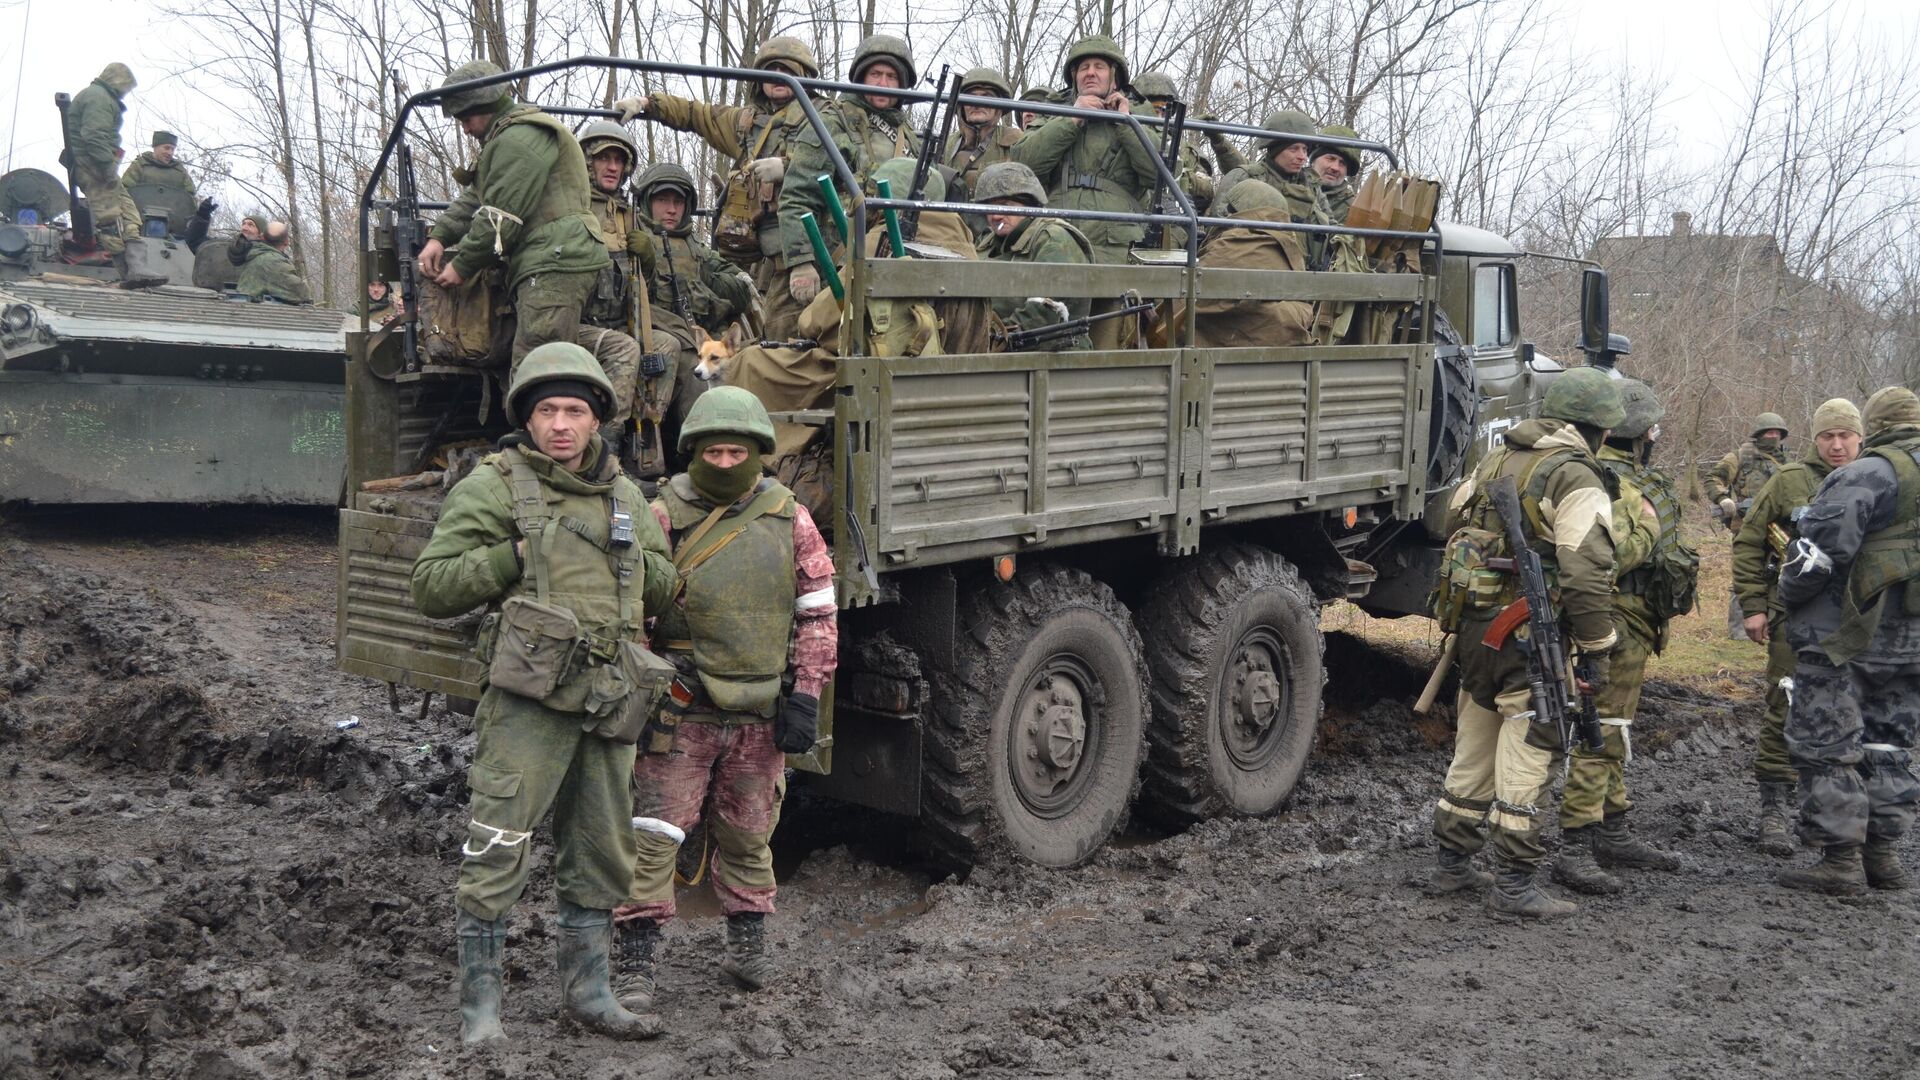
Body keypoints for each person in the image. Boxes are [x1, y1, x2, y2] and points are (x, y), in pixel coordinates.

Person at [410, 342, 677, 1044]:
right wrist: (516, 557)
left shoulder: (625, 495)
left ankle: (590, 992)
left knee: (600, 848)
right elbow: (432, 586)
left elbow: (665, 584)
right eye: (548, 411)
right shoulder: (494, 485)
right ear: (527, 419)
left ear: (598, 422)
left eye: (576, 412)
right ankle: (481, 1011)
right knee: (498, 845)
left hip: (606, 702)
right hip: (528, 705)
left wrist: (639, 562)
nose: (562, 424)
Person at [612, 386, 838, 1006]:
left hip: (761, 711)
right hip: (679, 708)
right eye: (713, 451)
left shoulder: (789, 516)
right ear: (693, 452)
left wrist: (807, 695)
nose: (724, 460)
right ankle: (636, 956)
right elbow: (635, 613)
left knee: (749, 831)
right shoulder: (663, 515)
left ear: (759, 452)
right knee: (655, 832)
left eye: (736, 450)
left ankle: (748, 944)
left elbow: (817, 609)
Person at [1428, 367, 1624, 918]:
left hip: (1474, 630)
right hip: (1527, 638)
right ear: (1600, 429)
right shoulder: (1576, 475)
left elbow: (1450, 520)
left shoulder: (1495, 457)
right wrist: (1598, 644)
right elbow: (1585, 574)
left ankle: (1451, 863)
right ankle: (1514, 885)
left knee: (1475, 739)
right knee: (1532, 743)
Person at [1775, 386, 1920, 895]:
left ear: (1874, 427)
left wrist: (1788, 598)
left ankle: (1840, 862)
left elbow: (1815, 554)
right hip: (1912, 643)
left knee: (1827, 745)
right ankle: (1884, 858)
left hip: (1846, 636)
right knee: (1890, 743)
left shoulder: (1867, 474)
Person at [1552, 379, 1691, 894]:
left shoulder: (1621, 479)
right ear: (1637, 434)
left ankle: (1613, 828)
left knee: (1615, 729)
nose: (1655, 436)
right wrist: (1649, 532)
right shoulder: (1612, 486)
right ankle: (1574, 845)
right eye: (1651, 429)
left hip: (1634, 622)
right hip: (1615, 623)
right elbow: (1605, 561)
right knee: (1601, 731)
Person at [614, 36, 822, 339]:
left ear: (805, 76)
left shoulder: (824, 120)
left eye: (789, 69)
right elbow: (697, 114)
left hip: (812, 250)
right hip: (762, 253)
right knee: (770, 336)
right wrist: (648, 105)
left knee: (802, 336)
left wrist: (789, 169)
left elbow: (847, 173)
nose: (779, 76)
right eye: (771, 69)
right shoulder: (747, 124)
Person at [415, 60, 610, 371]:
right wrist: (439, 236)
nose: (464, 128)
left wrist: (462, 265)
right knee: (532, 362)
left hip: (554, 262)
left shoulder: (520, 138)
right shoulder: (506, 139)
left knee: (537, 368)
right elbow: (476, 197)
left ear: (486, 104)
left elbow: (499, 218)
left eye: (466, 117)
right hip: (550, 259)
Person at [1731, 398, 1863, 856]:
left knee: (1847, 713)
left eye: (1845, 435)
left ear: (1860, 437)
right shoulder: (1790, 480)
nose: (1837, 444)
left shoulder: (1875, 480)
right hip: (1795, 614)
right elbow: (1750, 540)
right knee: (1785, 703)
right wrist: (1753, 606)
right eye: (1828, 435)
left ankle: (1824, 812)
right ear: (1814, 439)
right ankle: (1774, 809)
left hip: (1857, 618)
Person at [776, 34, 922, 307]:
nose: (883, 84)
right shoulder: (833, 121)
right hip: (841, 263)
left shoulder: (909, 135)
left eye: (891, 77)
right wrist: (801, 263)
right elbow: (797, 195)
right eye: (875, 74)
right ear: (860, 78)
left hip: (897, 262)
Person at [633, 162, 755, 452]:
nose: (672, 209)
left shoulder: (696, 248)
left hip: (702, 336)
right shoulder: (636, 239)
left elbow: (741, 288)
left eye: (678, 202)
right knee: (695, 375)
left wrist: (707, 280)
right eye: (663, 200)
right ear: (648, 203)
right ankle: (700, 451)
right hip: (658, 333)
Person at [1011, 34, 1157, 268]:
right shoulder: (1052, 110)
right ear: (1074, 77)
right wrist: (1071, 118)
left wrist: (1126, 123)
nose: (1090, 72)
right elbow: (1024, 164)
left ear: (1115, 77)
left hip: (1116, 243)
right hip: (1055, 235)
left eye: (1099, 67)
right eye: (1083, 68)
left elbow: (1162, 173)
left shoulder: (1139, 113)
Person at [572, 119, 655, 468]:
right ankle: (604, 454)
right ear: (587, 162)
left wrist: (646, 253)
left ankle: (647, 437)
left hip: (616, 321)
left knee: (664, 347)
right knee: (626, 348)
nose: (612, 167)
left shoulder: (627, 213)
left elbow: (639, 282)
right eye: (604, 158)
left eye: (619, 161)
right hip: (573, 324)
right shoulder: (571, 207)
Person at [1173, 180, 1313, 347]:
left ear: (1236, 211)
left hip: (1226, 346)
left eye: (1229, 209)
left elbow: (1193, 300)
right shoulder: (1290, 247)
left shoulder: (1232, 243)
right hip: (1285, 344)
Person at [975, 161, 1093, 349]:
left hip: (1049, 357)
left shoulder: (1053, 239)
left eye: (1005, 205)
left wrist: (991, 339)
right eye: (990, 207)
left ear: (1029, 204)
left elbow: (1044, 315)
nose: (995, 216)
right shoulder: (988, 242)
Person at [1209, 108, 1332, 267]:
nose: (1302, 156)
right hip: (1256, 272)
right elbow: (1217, 230)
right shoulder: (1245, 177)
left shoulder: (1312, 186)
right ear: (1275, 149)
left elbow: (1333, 229)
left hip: (1309, 276)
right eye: (1293, 149)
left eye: (1305, 149)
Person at [1707, 411, 1791, 637]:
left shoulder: (1787, 461)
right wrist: (1723, 499)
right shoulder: (1740, 456)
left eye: (1777, 432)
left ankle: (1774, 625)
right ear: (1759, 433)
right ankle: (1739, 631)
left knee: (1782, 574)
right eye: (1768, 432)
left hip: (1780, 527)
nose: (1772, 436)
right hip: (1748, 527)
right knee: (1744, 576)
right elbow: (1713, 478)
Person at [63, 62, 141, 254]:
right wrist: (107, 168)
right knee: (110, 220)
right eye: (125, 86)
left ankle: (136, 261)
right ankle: (123, 268)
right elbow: (94, 136)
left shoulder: (102, 96)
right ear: (117, 80)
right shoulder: (98, 97)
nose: (125, 92)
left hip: (100, 165)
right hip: (92, 165)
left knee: (129, 214)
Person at [945, 68, 1022, 211]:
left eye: (986, 97)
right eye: (970, 97)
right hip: (951, 227)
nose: (977, 103)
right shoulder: (946, 146)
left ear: (998, 106)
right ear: (961, 106)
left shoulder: (1016, 141)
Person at [234, 221, 313, 304]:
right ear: (286, 242)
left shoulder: (255, 253)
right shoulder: (273, 262)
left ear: (262, 237)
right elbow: (302, 293)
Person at [120, 131, 197, 198]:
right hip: (139, 213)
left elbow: (190, 197)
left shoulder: (180, 171)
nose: (170, 153)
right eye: (166, 148)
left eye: (172, 149)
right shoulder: (140, 165)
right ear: (155, 147)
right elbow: (124, 191)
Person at [1311, 124, 1363, 223]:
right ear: (1314, 160)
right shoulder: (1290, 187)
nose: (1335, 168)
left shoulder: (1353, 209)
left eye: (1342, 163)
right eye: (1330, 159)